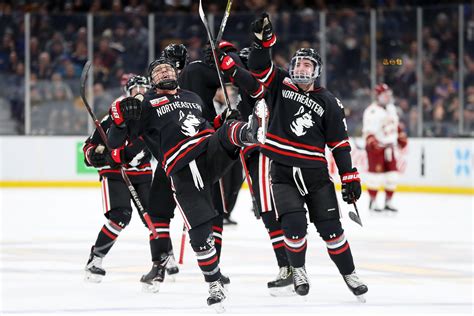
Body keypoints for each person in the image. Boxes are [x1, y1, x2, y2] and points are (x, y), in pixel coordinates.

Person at [215, 13, 368, 301]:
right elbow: (259, 68)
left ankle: (349, 273)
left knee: (332, 229)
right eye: (297, 63)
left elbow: (340, 144)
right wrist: (262, 42)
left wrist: (349, 176)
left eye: (306, 64)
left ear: (317, 71)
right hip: (282, 170)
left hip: (316, 175)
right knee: (294, 227)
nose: (300, 68)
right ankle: (298, 270)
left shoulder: (330, 102)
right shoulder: (280, 84)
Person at [107, 56, 264, 310]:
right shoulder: (145, 105)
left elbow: (206, 126)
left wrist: (223, 120)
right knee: (200, 233)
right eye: (158, 71)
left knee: (228, 131)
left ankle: (250, 132)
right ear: (152, 80)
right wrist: (119, 120)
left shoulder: (193, 97)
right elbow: (116, 142)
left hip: (207, 149)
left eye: (168, 68)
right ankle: (214, 283)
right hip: (181, 166)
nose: (164, 72)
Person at [83, 75, 154, 283]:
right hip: (115, 174)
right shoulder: (114, 115)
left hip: (142, 173)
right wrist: (94, 155)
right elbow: (90, 147)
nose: (140, 92)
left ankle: (163, 258)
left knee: (155, 217)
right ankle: (95, 259)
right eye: (136, 89)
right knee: (120, 216)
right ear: (127, 93)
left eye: (144, 88)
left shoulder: (154, 115)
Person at [362, 83, 408, 212]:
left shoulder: (392, 109)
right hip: (377, 147)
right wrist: (372, 143)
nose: (387, 97)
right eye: (384, 95)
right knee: (375, 177)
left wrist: (400, 135)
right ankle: (373, 201)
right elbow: (368, 132)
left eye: (389, 94)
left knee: (392, 176)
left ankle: (388, 202)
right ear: (378, 96)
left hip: (390, 148)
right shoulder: (372, 111)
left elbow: (395, 125)